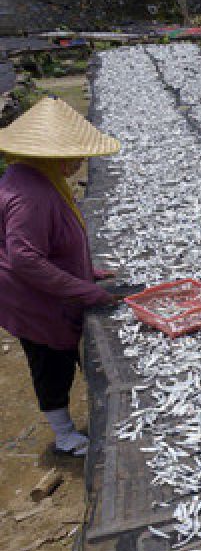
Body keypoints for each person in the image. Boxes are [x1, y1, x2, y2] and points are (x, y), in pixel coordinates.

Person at [0, 97, 121, 457]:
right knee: (50, 360)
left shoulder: (33, 175)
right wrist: (85, 289)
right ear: (53, 156)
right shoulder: (30, 194)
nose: (81, 163)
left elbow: (52, 242)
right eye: (76, 156)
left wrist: (88, 272)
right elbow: (25, 258)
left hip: (43, 288)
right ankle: (65, 435)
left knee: (60, 354)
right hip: (31, 298)